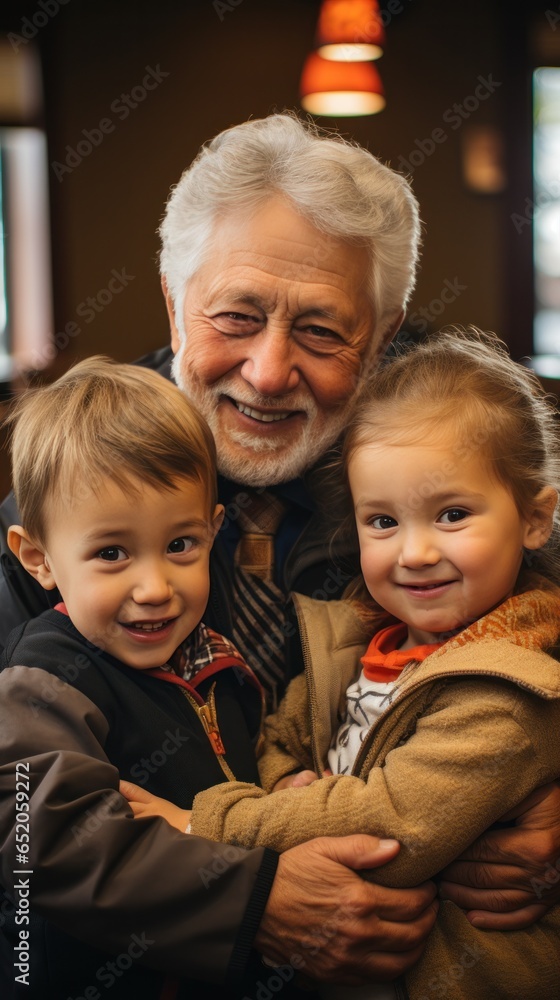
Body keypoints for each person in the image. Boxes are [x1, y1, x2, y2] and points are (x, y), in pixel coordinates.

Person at [0, 112, 558, 974]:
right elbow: (25, 831)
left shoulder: (448, 471)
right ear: (172, 299)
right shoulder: (74, 500)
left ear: (384, 331)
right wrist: (245, 897)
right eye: (237, 315)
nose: (268, 372)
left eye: (322, 330)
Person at [121, 328, 560, 999]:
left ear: (535, 519)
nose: (413, 552)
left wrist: (199, 826)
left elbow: (388, 824)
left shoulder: (510, 688)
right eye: (382, 522)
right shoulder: (361, 643)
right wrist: (287, 784)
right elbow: (278, 735)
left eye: (451, 514)